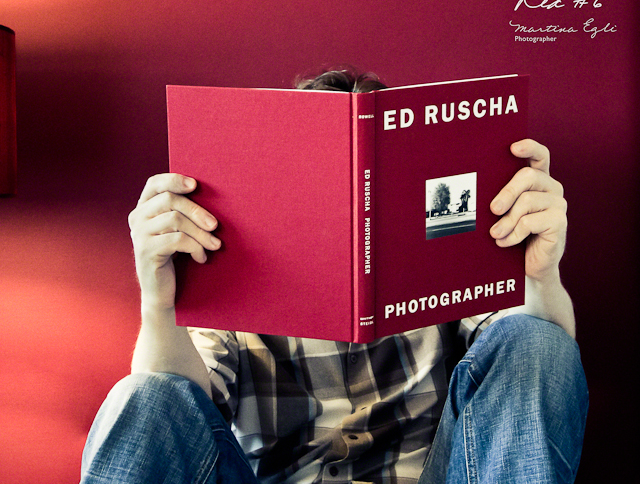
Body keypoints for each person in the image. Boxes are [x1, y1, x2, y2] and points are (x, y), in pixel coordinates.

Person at [80, 69, 588, 484]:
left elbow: (535, 363)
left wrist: (541, 276)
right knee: (144, 393)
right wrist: (157, 302)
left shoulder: (445, 251)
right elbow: (179, 406)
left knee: (535, 340)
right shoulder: (235, 263)